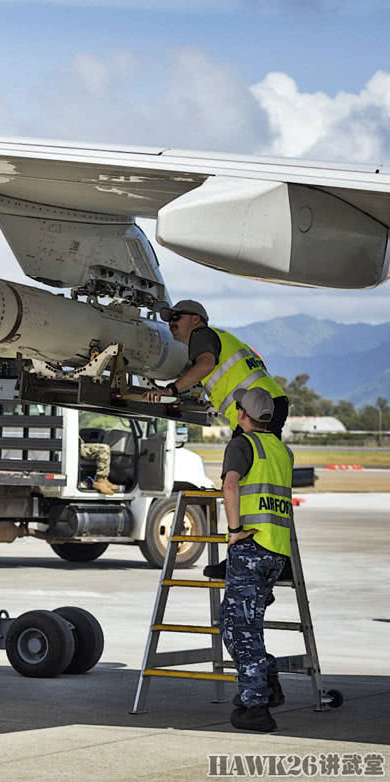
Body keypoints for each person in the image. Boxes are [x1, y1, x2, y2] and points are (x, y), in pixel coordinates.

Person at [219, 387, 293, 732]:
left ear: (241, 414)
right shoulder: (281, 450)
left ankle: (255, 706)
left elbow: (230, 486)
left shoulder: (242, 444)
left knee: (237, 628)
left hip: (250, 548)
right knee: (248, 626)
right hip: (276, 550)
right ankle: (266, 680)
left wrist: (234, 530)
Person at [144, 300, 288, 438]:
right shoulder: (220, 337)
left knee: (249, 456)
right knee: (264, 456)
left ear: (195, 320)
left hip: (255, 408)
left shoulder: (201, 335)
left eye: (176, 317)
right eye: (169, 320)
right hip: (268, 403)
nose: (171, 323)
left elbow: (206, 365)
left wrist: (171, 389)